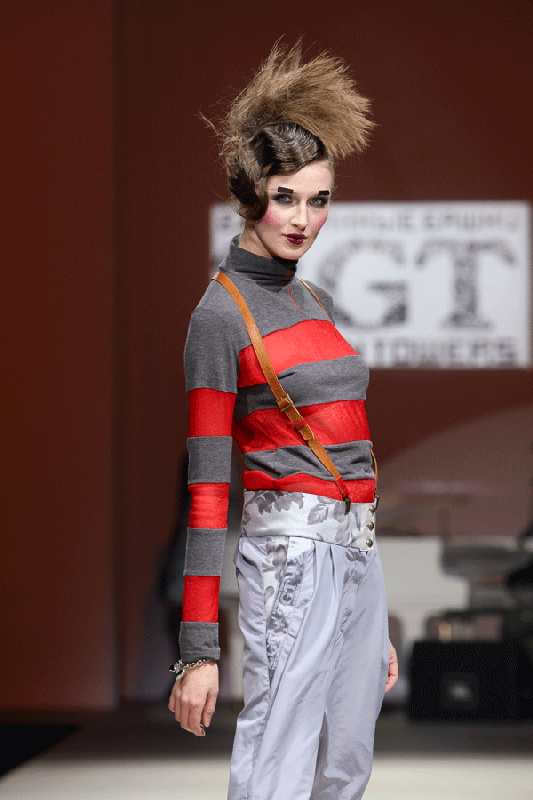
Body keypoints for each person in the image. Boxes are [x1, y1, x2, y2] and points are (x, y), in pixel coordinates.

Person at [168, 40, 398, 800]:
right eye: (285, 197)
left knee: (345, 763)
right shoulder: (219, 317)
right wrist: (199, 648)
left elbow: (349, 449)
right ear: (249, 194)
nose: (303, 219)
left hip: (355, 551)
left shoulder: (313, 301)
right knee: (281, 757)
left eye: (319, 199)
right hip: (290, 558)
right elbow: (209, 491)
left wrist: (367, 602)